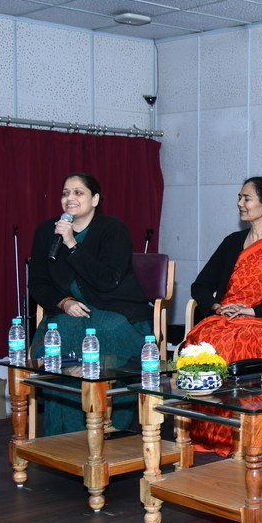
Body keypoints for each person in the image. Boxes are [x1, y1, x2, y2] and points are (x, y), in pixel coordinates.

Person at [184, 176, 262, 455]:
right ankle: (207, 429)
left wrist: (253, 310)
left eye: (247, 198)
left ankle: (241, 432)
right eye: (239, 198)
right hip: (226, 317)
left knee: (240, 341)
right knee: (204, 339)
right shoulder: (232, 242)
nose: (240, 203)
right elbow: (200, 285)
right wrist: (216, 307)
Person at [28, 173, 152, 435]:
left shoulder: (113, 230)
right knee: (60, 336)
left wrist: (72, 243)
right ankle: (65, 432)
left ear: (95, 199)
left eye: (78, 192)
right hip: (69, 312)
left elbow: (107, 281)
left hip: (114, 308)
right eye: (65, 193)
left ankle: (111, 425)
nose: (70, 198)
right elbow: (38, 283)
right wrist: (63, 302)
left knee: (106, 332)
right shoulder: (47, 231)